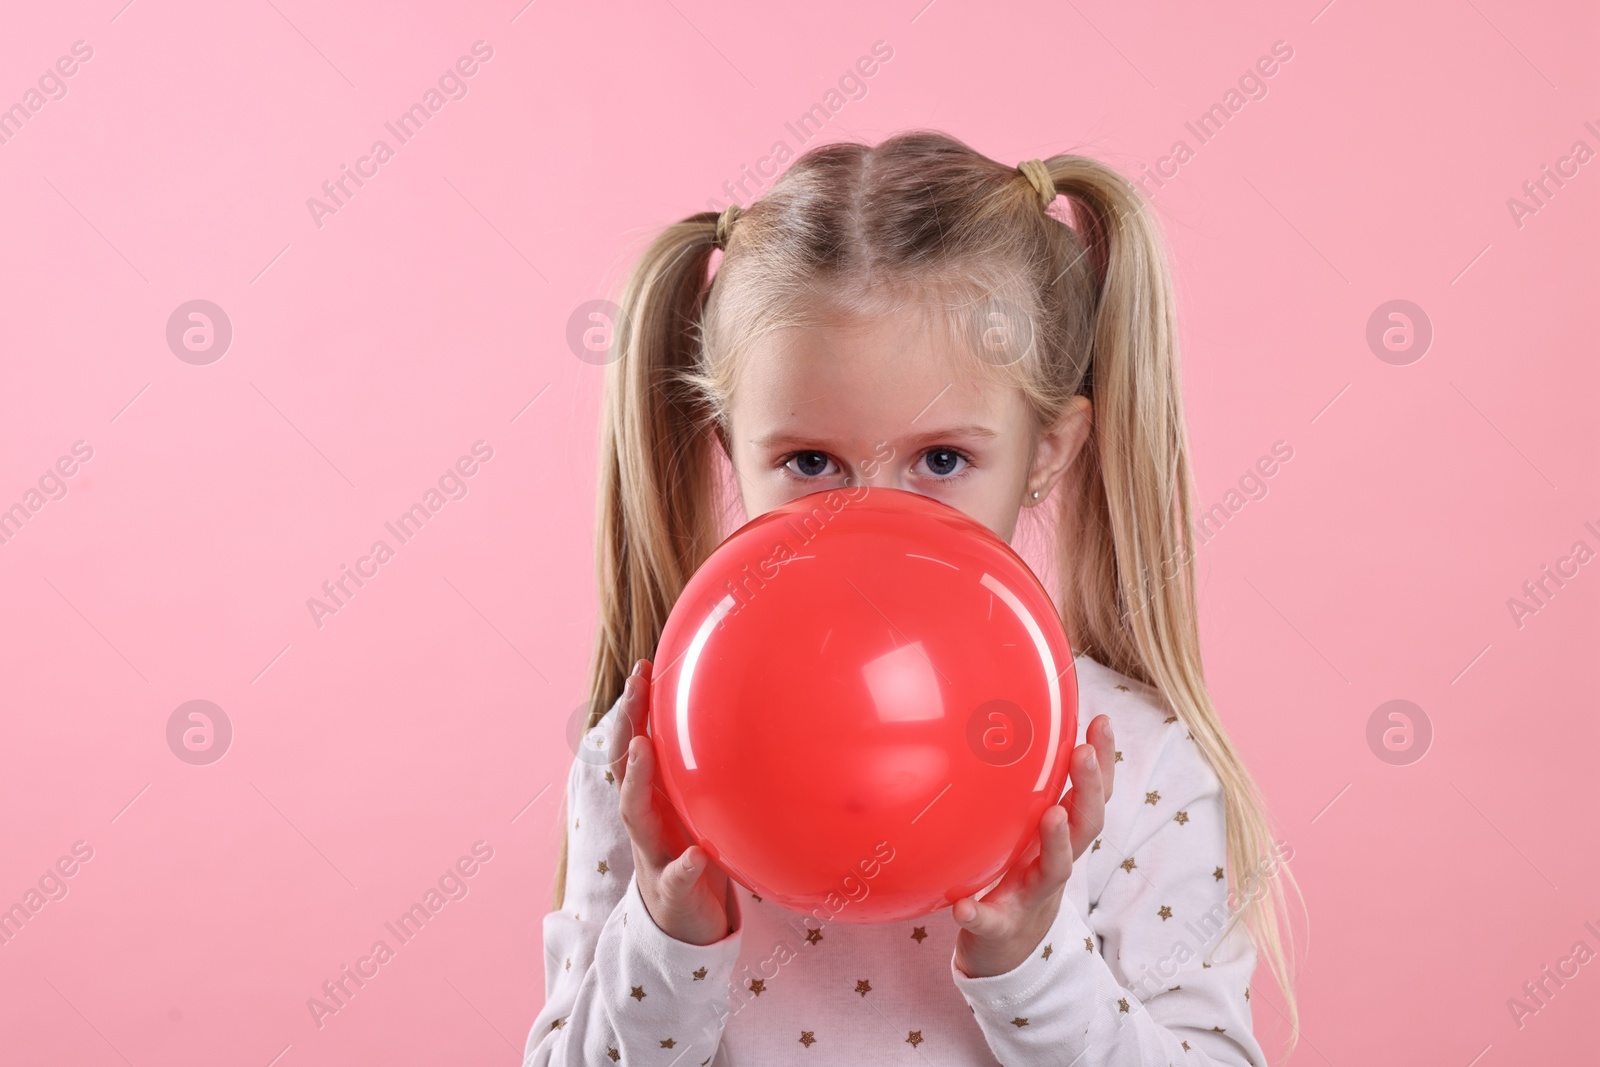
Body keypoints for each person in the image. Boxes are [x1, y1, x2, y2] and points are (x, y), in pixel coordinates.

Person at [523, 130, 1301, 1066]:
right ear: (733, 448)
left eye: (942, 460)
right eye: (811, 462)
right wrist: (668, 932)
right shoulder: (651, 759)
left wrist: (1030, 958)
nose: (874, 526)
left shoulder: (1135, 761)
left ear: (1047, 450)